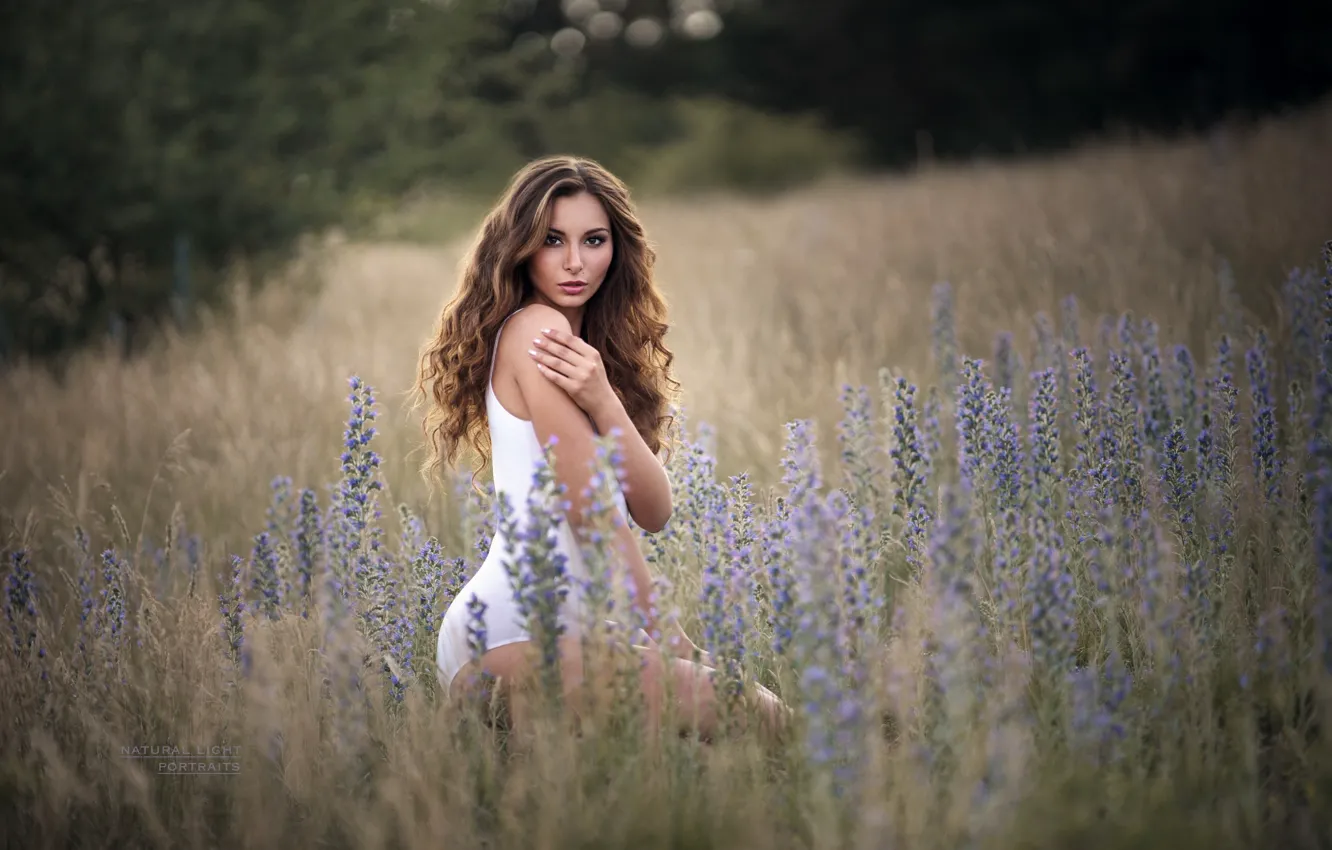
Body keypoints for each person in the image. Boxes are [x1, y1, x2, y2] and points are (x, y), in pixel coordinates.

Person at [413, 155, 786, 741]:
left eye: (594, 240)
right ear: (520, 248)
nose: (574, 262)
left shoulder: (587, 356)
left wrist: (605, 399)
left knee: (759, 716)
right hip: (510, 631)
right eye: (552, 240)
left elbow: (654, 510)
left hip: (571, 627)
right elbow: (591, 506)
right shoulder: (537, 330)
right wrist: (667, 633)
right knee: (759, 717)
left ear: (618, 250)